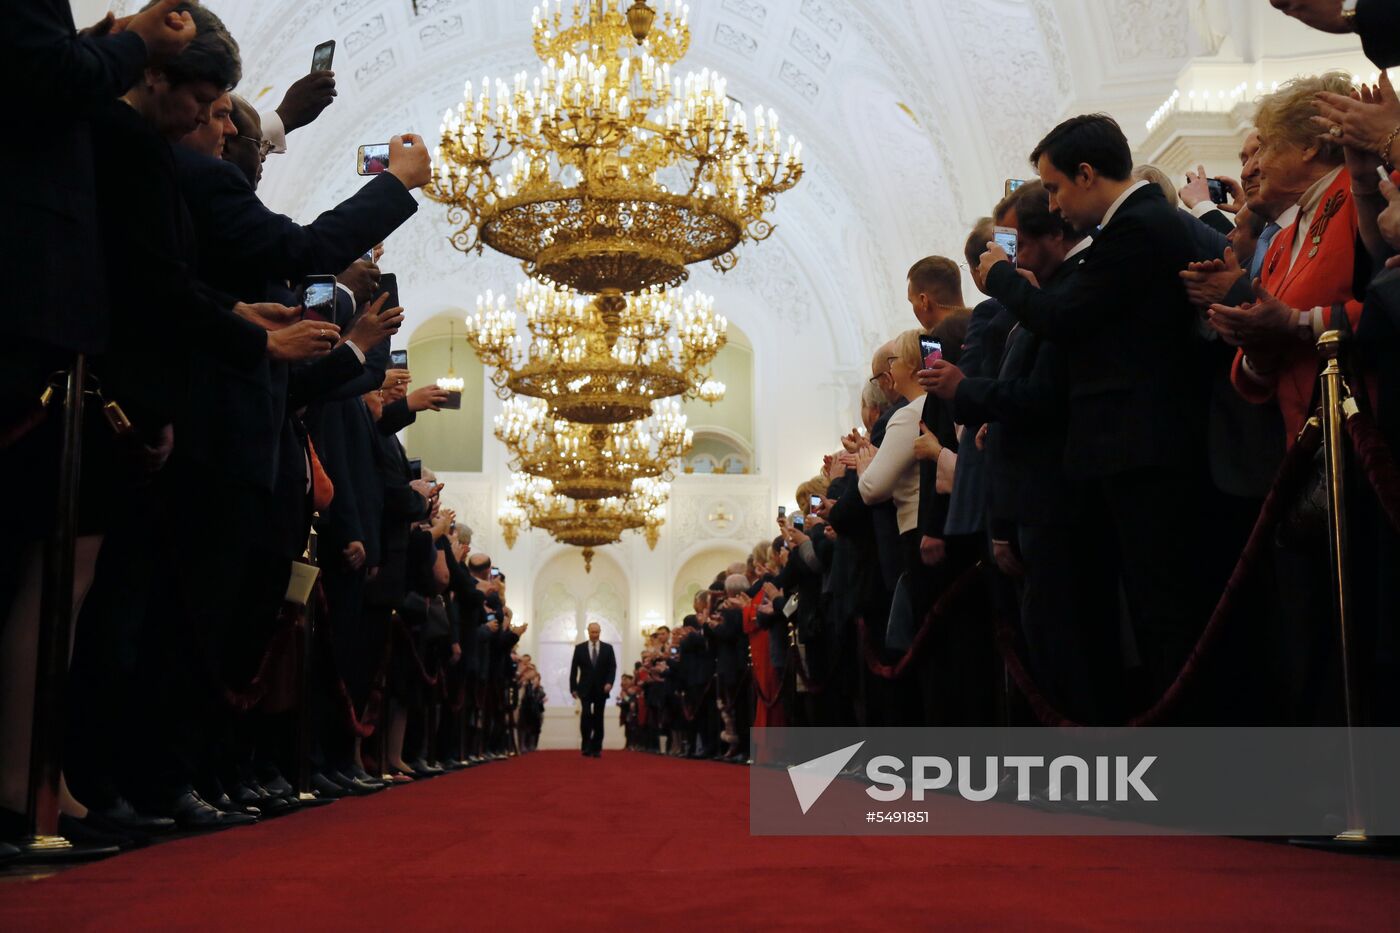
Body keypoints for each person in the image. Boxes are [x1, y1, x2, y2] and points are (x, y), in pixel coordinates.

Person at [569, 622, 615, 758]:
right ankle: (586, 746)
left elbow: (612, 668)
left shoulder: (608, 648)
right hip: (585, 688)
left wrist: (609, 683)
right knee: (586, 715)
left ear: (600, 632)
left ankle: (597, 748)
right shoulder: (580, 648)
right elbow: (573, 670)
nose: (595, 635)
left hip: (602, 688)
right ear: (588, 632)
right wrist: (573, 688)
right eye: (592, 632)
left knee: (599, 717)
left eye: (597, 632)